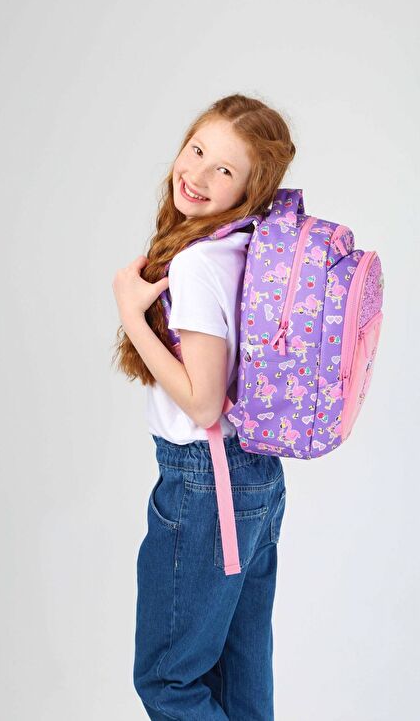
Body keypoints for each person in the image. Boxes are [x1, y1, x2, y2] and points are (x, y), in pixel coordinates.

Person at [111, 93, 295, 720]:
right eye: (196, 150)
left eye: (224, 169)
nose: (197, 174)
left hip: (204, 482)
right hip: (256, 476)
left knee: (169, 681)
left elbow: (204, 401)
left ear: (250, 189)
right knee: (239, 676)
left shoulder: (195, 265)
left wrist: (131, 315)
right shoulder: (246, 246)